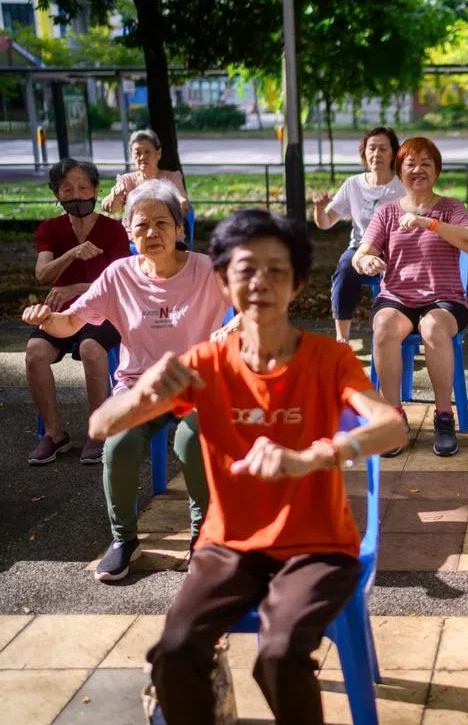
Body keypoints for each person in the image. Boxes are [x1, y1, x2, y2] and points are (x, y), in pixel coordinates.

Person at [87, 209, 407, 725]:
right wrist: (143, 394)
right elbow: (101, 426)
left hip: (318, 544)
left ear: (298, 283)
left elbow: (391, 426)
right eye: (245, 270)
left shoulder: (328, 358)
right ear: (223, 281)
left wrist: (312, 457)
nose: (261, 283)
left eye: (276, 270)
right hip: (228, 544)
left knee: (278, 656)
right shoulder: (205, 364)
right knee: (175, 652)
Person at [22, 179, 229, 582]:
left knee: (194, 439)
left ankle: (203, 535)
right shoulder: (118, 275)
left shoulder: (207, 270)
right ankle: (123, 538)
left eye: (162, 223)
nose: (151, 232)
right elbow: (71, 323)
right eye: (141, 224)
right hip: (139, 387)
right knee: (117, 445)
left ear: (179, 229)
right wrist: (47, 319)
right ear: (129, 232)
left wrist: (237, 327)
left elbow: (255, 307)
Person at [352, 136, 468, 458]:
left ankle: (443, 416)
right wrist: (365, 260)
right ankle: (393, 418)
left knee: (434, 328)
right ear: (399, 171)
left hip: (444, 299)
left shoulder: (451, 208)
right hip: (398, 297)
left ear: (437, 172)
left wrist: (431, 224)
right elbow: (362, 252)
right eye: (410, 164)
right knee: (383, 328)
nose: (418, 170)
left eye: (426, 164)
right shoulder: (387, 212)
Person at [26, 159, 130, 465]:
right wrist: (72, 252)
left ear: (97, 190)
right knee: (34, 352)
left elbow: (122, 283)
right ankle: (54, 434)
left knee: (90, 348)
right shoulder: (50, 229)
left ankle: (98, 430)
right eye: (67, 189)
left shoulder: (112, 230)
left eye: (84, 188)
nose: (77, 195)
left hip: (103, 311)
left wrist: (76, 288)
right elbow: (43, 275)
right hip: (60, 314)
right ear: (56, 194)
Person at [311, 126, 405, 344]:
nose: (377, 154)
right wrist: (319, 208)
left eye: (383, 149)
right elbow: (325, 223)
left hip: (395, 250)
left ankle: (401, 331)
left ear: (393, 154)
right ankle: (342, 338)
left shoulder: (402, 186)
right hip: (360, 249)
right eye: (371, 148)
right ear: (364, 153)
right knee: (344, 271)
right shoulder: (353, 184)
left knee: (401, 279)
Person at [101, 129, 191, 222]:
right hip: (134, 233)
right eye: (137, 153)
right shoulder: (126, 180)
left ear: (158, 154)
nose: (142, 157)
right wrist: (116, 195)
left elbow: (183, 206)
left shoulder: (172, 178)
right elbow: (111, 208)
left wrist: (179, 203)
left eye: (147, 152)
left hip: (165, 231)